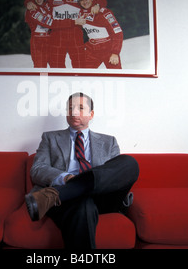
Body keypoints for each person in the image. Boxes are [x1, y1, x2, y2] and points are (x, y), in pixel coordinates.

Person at [25, 92, 139, 249]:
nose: (73, 112)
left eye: (80, 108)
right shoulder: (50, 138)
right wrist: (65, 179)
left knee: (130, 163)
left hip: (101, 197)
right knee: (83, 205)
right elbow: (37, 169)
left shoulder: (109, 141)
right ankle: (72, 190)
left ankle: (60, 193)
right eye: (70, 108)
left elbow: (116, 177)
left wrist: (73, 186)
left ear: (91, 114)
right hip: (69, 201)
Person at [25, 0, 107, 68]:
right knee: (57, 65)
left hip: (75, 34)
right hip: (57, 34)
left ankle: (77, 81)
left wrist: (98, 4)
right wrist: (28, 2)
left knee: (79, 63)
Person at [75, 0, 123, 69]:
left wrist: (115, 53)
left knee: (116, 76)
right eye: (81, 0)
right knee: (83, 74)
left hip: (107, 48)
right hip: (91, 49)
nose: (85, 2)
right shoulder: (80, 13)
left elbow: (118, 33)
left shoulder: (104, 12)